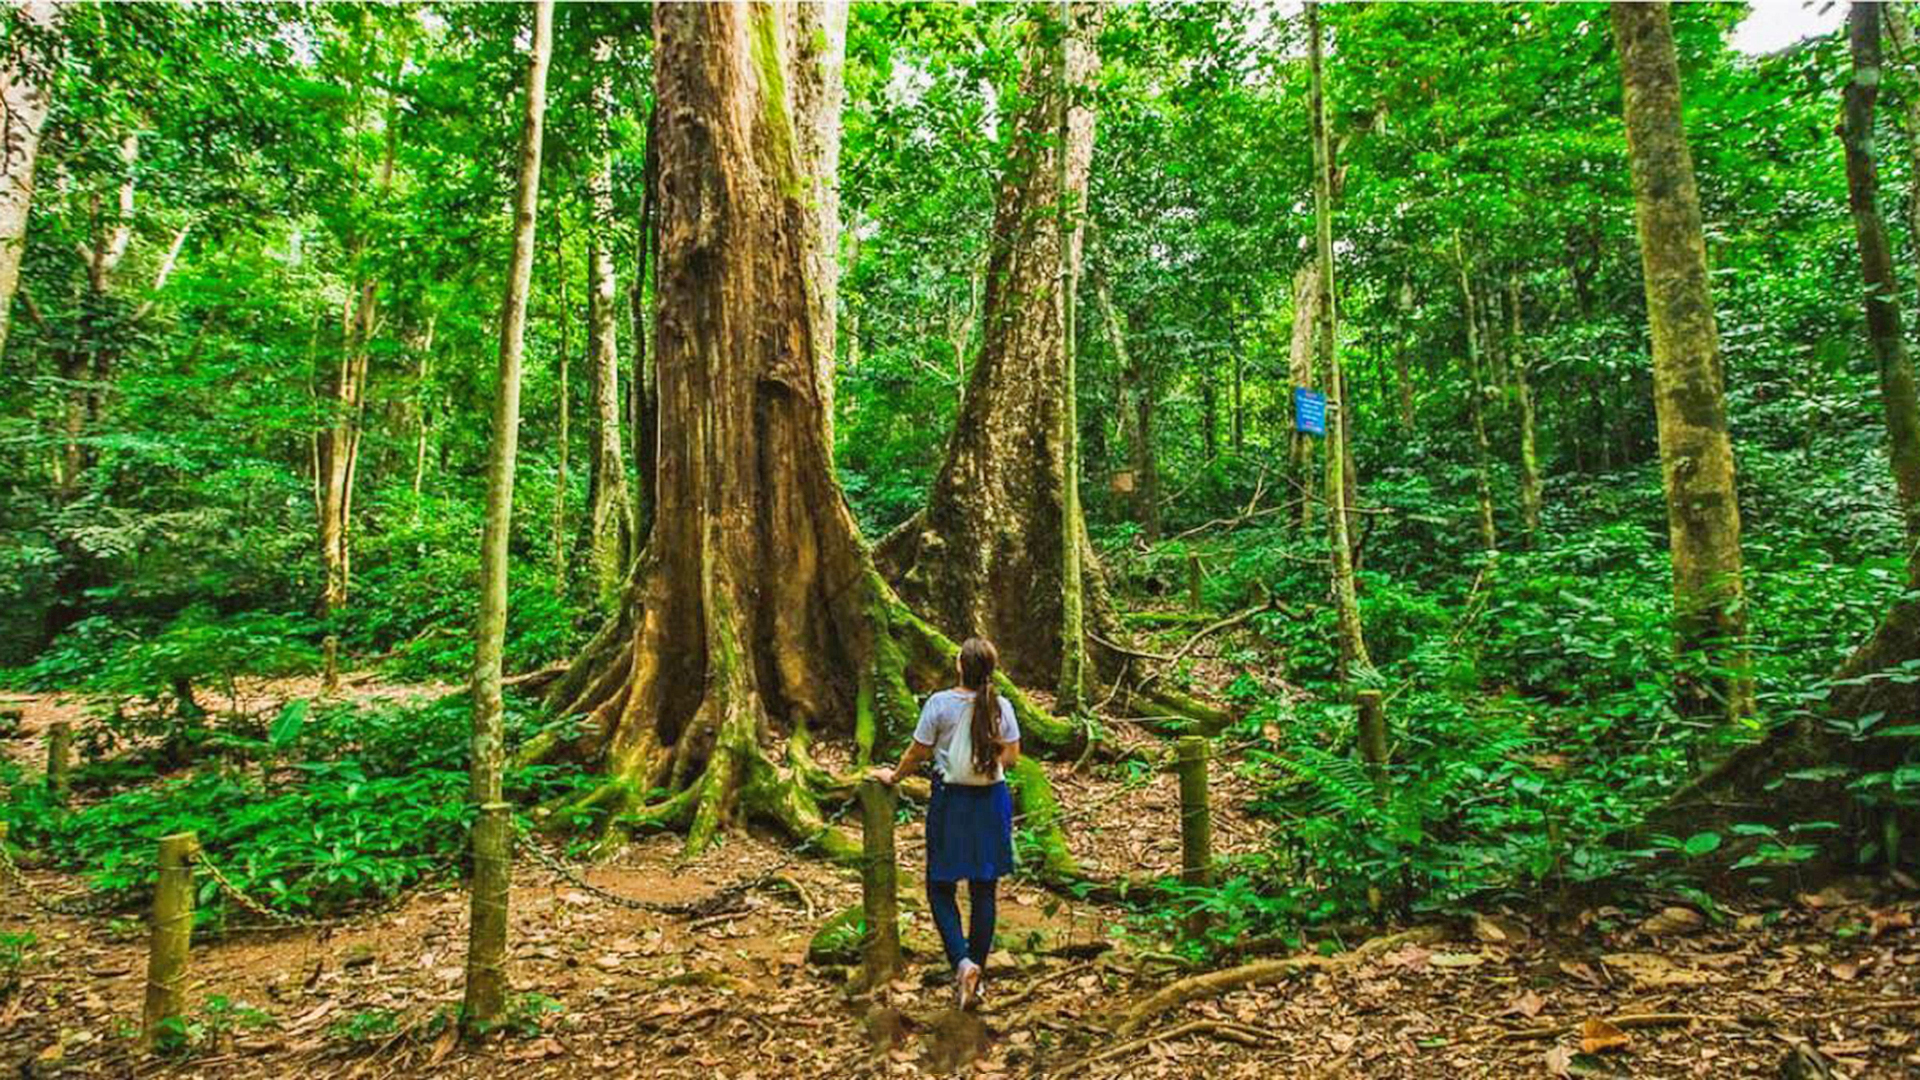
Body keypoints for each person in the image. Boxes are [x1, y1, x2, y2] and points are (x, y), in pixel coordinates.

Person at [871, 636, 1020, 1011]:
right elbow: (1012, 758)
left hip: (952, 802)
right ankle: (977, 975)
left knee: (940, 884)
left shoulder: (939, 705)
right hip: (991, 802)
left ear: (960, 667)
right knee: (984, 888)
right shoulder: (1001, 706)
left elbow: (918, 752)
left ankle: (962, 963)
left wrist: (895, 776)